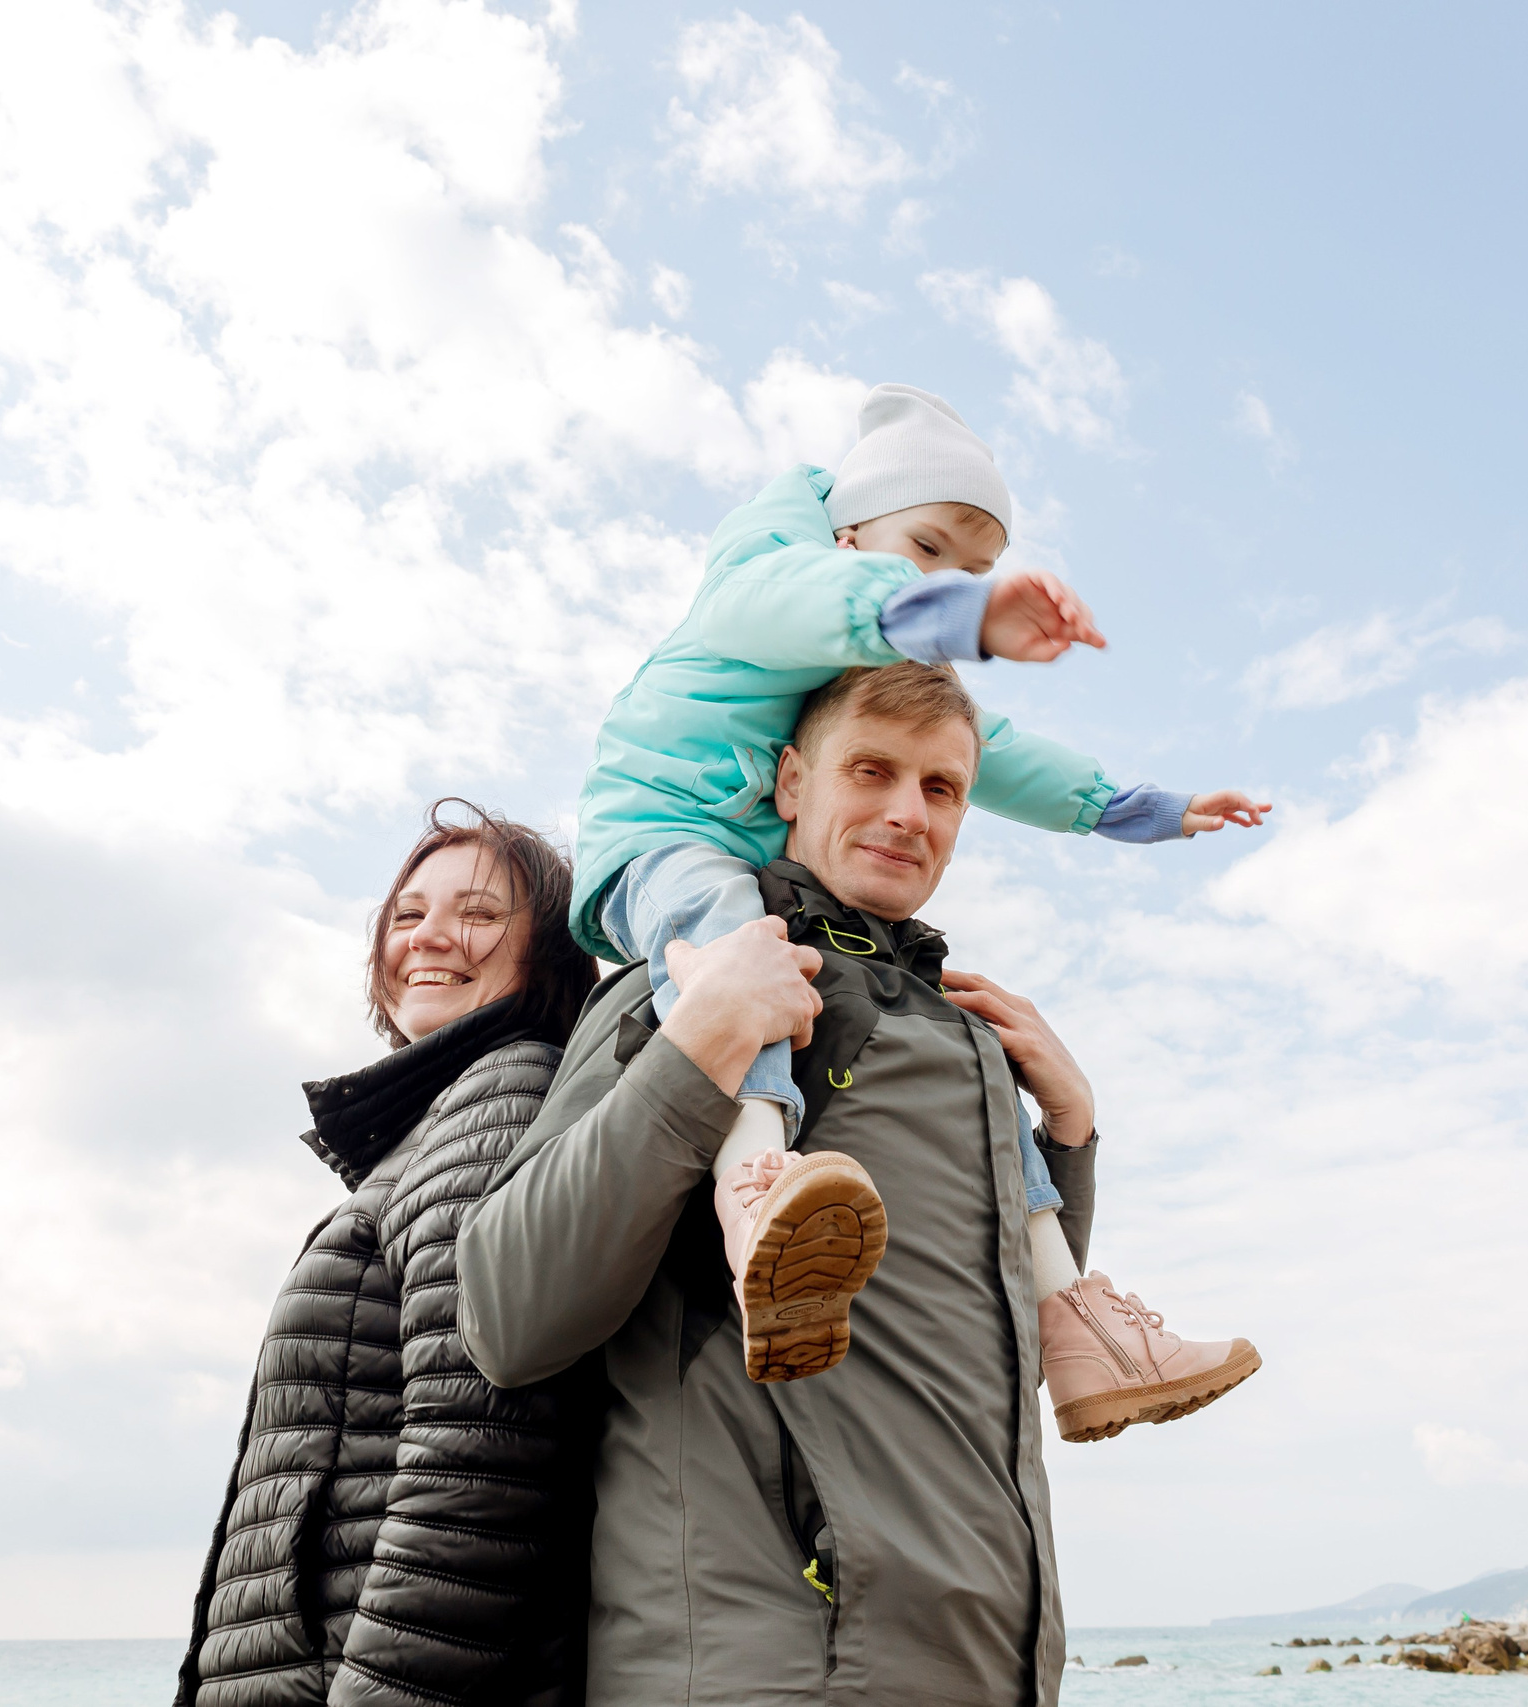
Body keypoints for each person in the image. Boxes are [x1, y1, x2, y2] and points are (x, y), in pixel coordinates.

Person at [459, 663, 1259, 1706]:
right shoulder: (689, 983)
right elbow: (507, 1316)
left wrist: (1069, 1134)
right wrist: (696, 1047)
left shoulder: (960, 1033)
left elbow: (961, 1350)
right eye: (870, 771)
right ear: (791, 782)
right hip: (773, 1666)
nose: (905, 813)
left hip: (984, 1666)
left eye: (941, 788)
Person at [570, 380, 1267, 1418]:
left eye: (971, 569)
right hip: (662, 842)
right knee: (741, 945)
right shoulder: (767, 585)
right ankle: (755, 1185)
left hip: (756, 873)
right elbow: (804, 597)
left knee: (963, 1040)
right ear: (850, 532)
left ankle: (1072, 1316)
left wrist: (1138, 808)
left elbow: (986, 751)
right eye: (927, 548)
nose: (943, 581)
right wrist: (961, 611)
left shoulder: (873, 650)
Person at [176, 802, 601, 1707]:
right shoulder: (436, 1125)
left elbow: (479, 1459)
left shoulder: (501, 1098)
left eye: (481, 914)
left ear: (549, 956)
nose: (431, 936)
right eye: (407, 914)